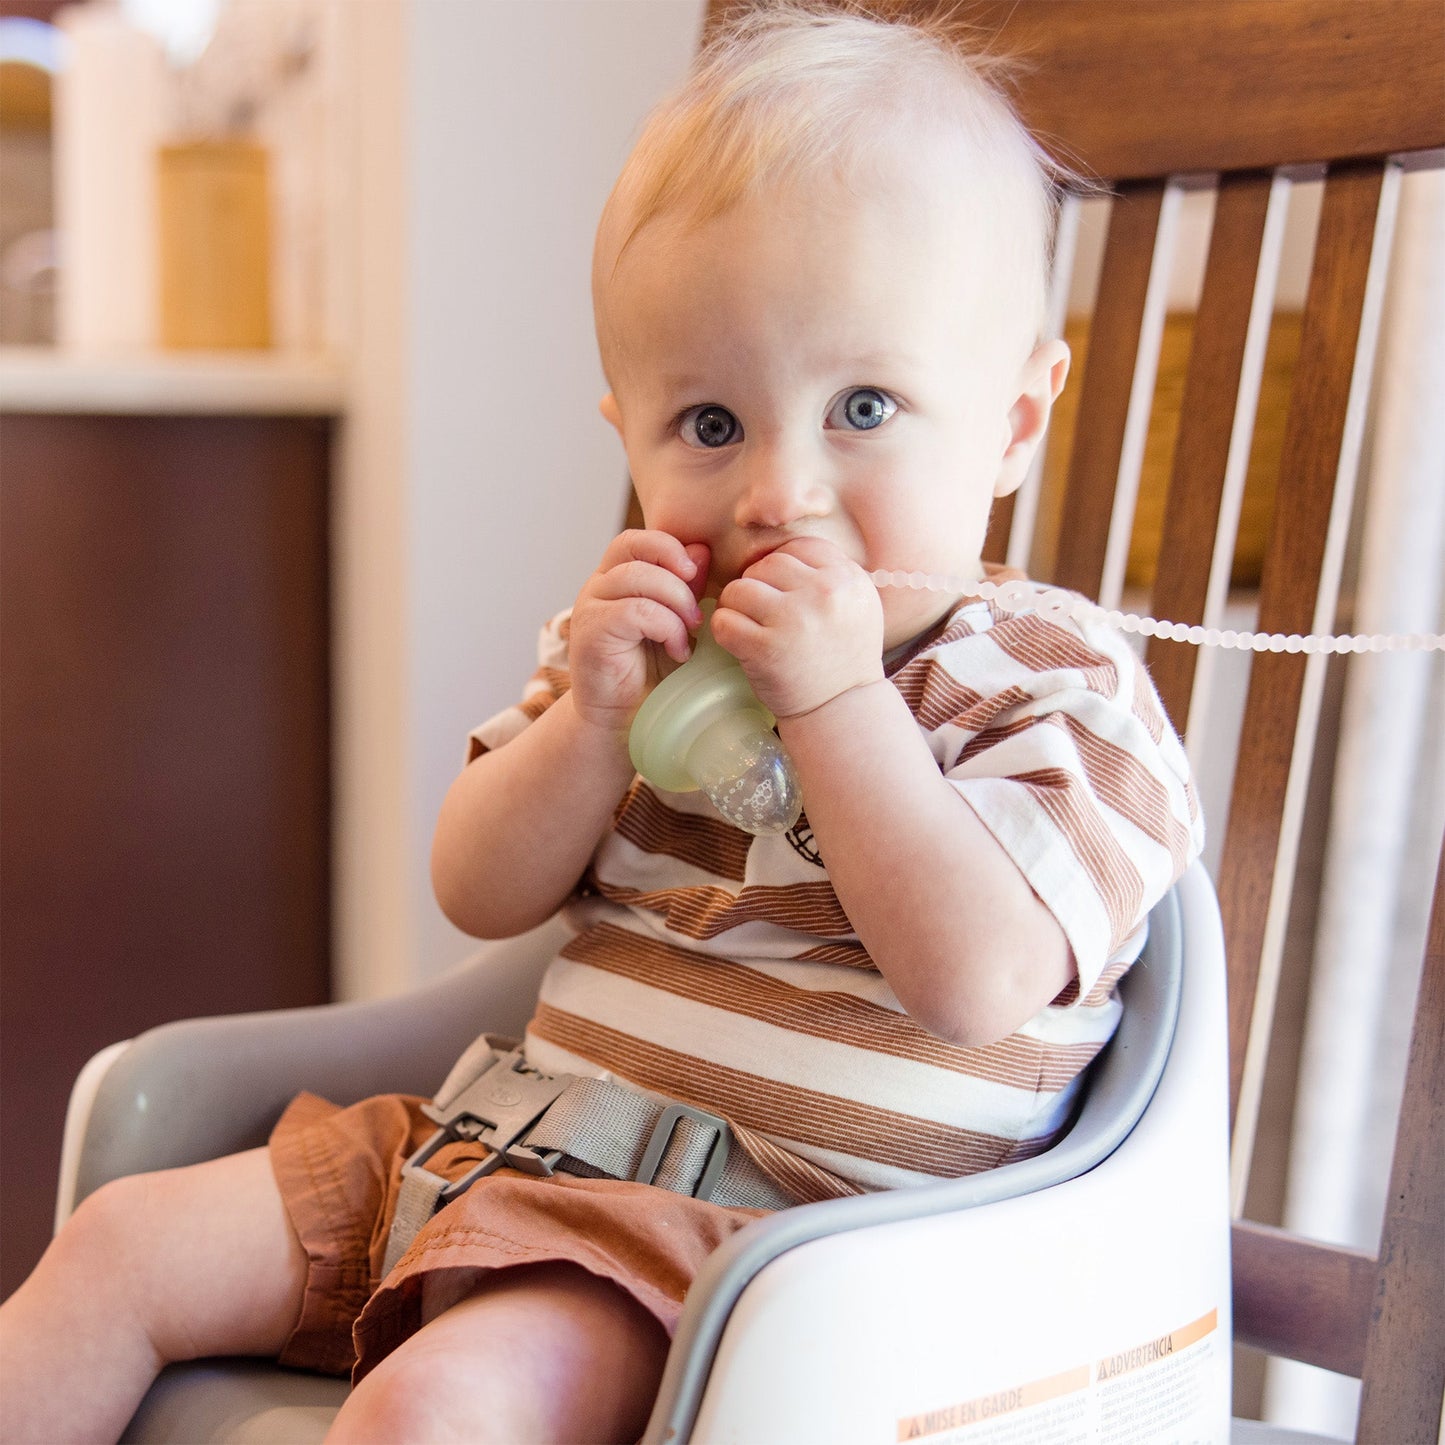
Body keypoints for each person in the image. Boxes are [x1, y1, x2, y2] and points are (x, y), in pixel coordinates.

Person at [0, 6, 1202, 1442]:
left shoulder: (1049, 681)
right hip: (490, 1149)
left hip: (752, 1256)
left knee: (442, 1400)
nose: (777, 491)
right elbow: (479, 887)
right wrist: (588, 720)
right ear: (625, 431)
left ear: (1011, 421)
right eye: (708, 424)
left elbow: (981, 973)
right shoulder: (637, 652)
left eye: (863, 404)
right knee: (124, 1238)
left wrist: (836, 703)